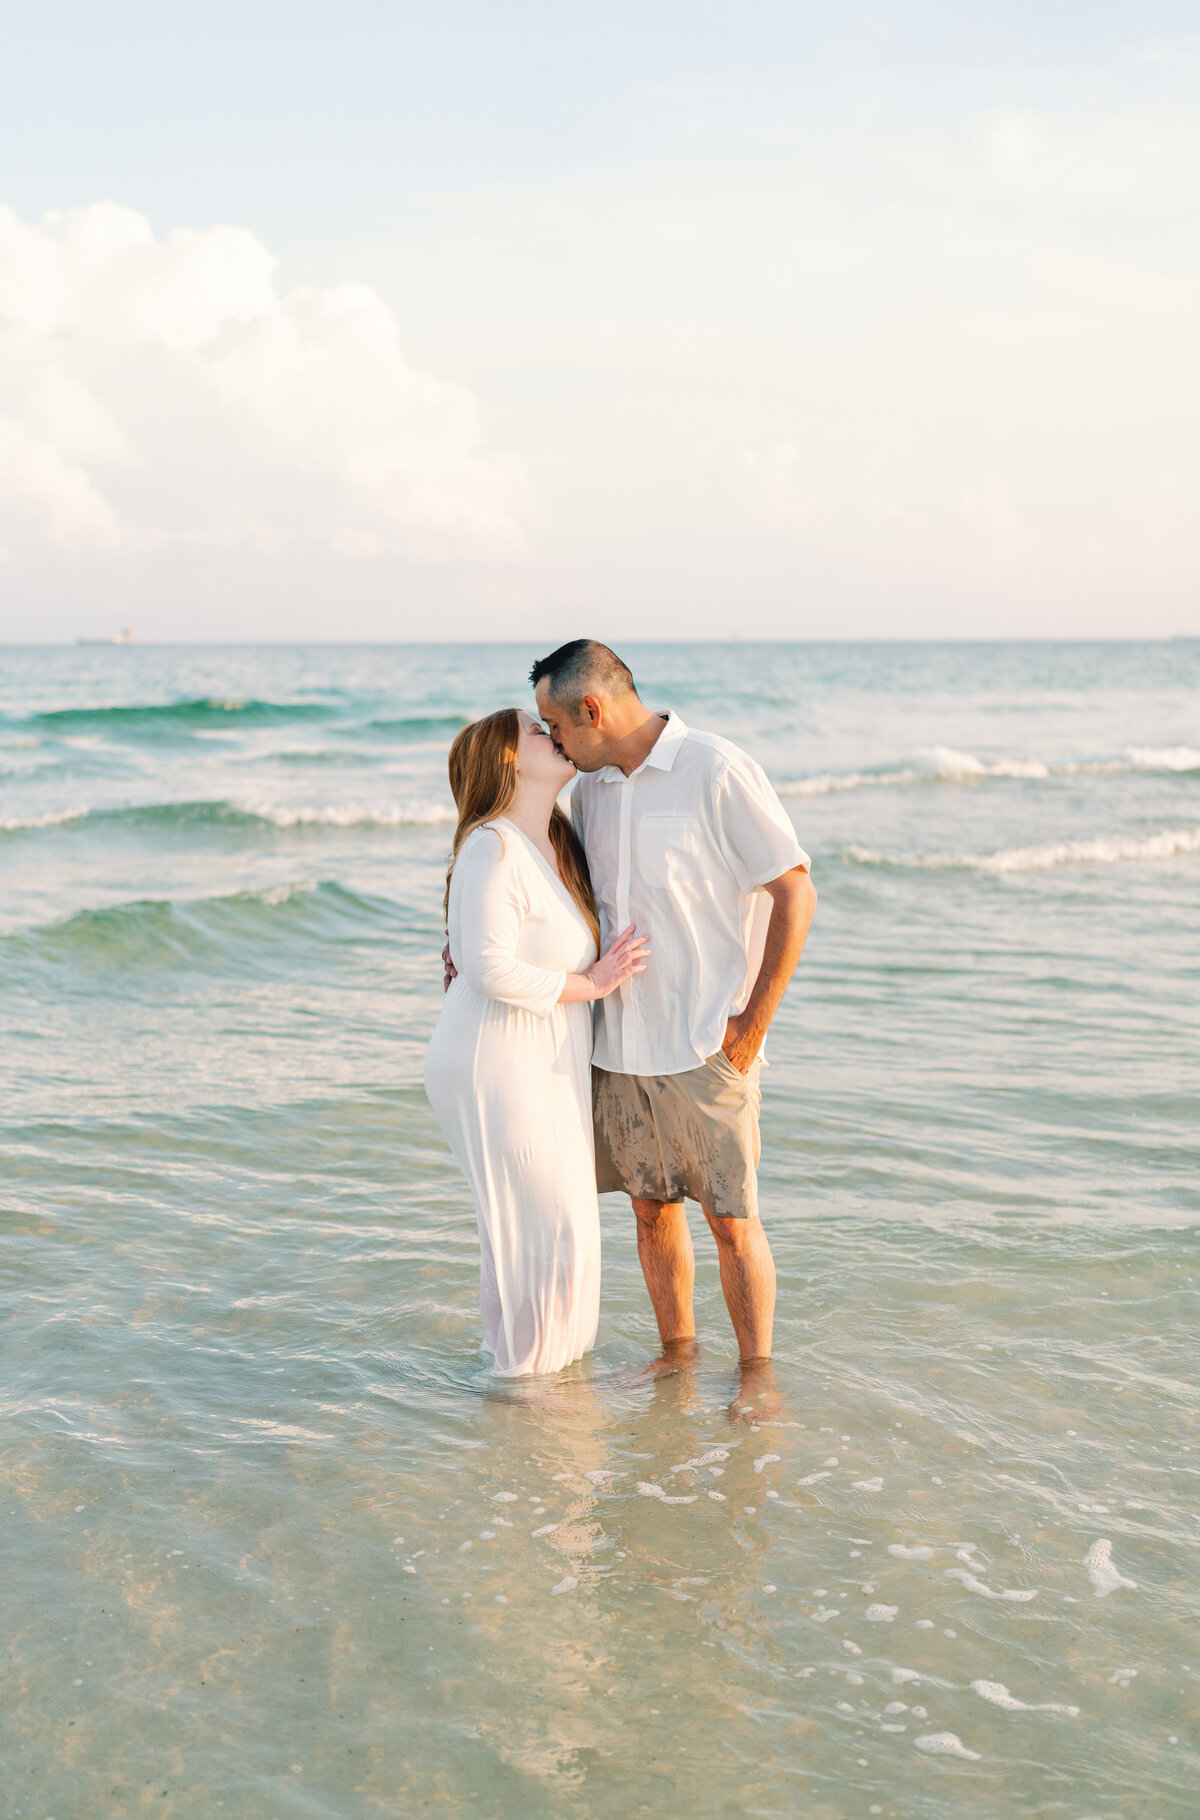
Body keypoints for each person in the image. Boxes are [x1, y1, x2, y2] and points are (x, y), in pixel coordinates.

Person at [530, 640, 817, 1369]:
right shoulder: (590, 791)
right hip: (618, 1044)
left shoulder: (715, 769)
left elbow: (795, 892)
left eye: (557, 726)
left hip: (705, 1042)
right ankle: (678, 1360)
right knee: (649, 1211)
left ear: (591, 709)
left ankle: (756, 1376)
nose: (554, 743)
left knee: (732, 1222)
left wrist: (751, 1028)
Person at [424, 707, 648, 1377]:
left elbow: (484, 948)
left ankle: (520, 1373)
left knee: (539, 1229)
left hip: (538, 1056)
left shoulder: (555, 838)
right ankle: (528, 1390)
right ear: (507, 762)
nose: (552, 733)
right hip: (498, 1058)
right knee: (548, 1229)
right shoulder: (493, 843)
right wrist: (596, 981)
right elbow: (489, 968)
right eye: (533, 730)